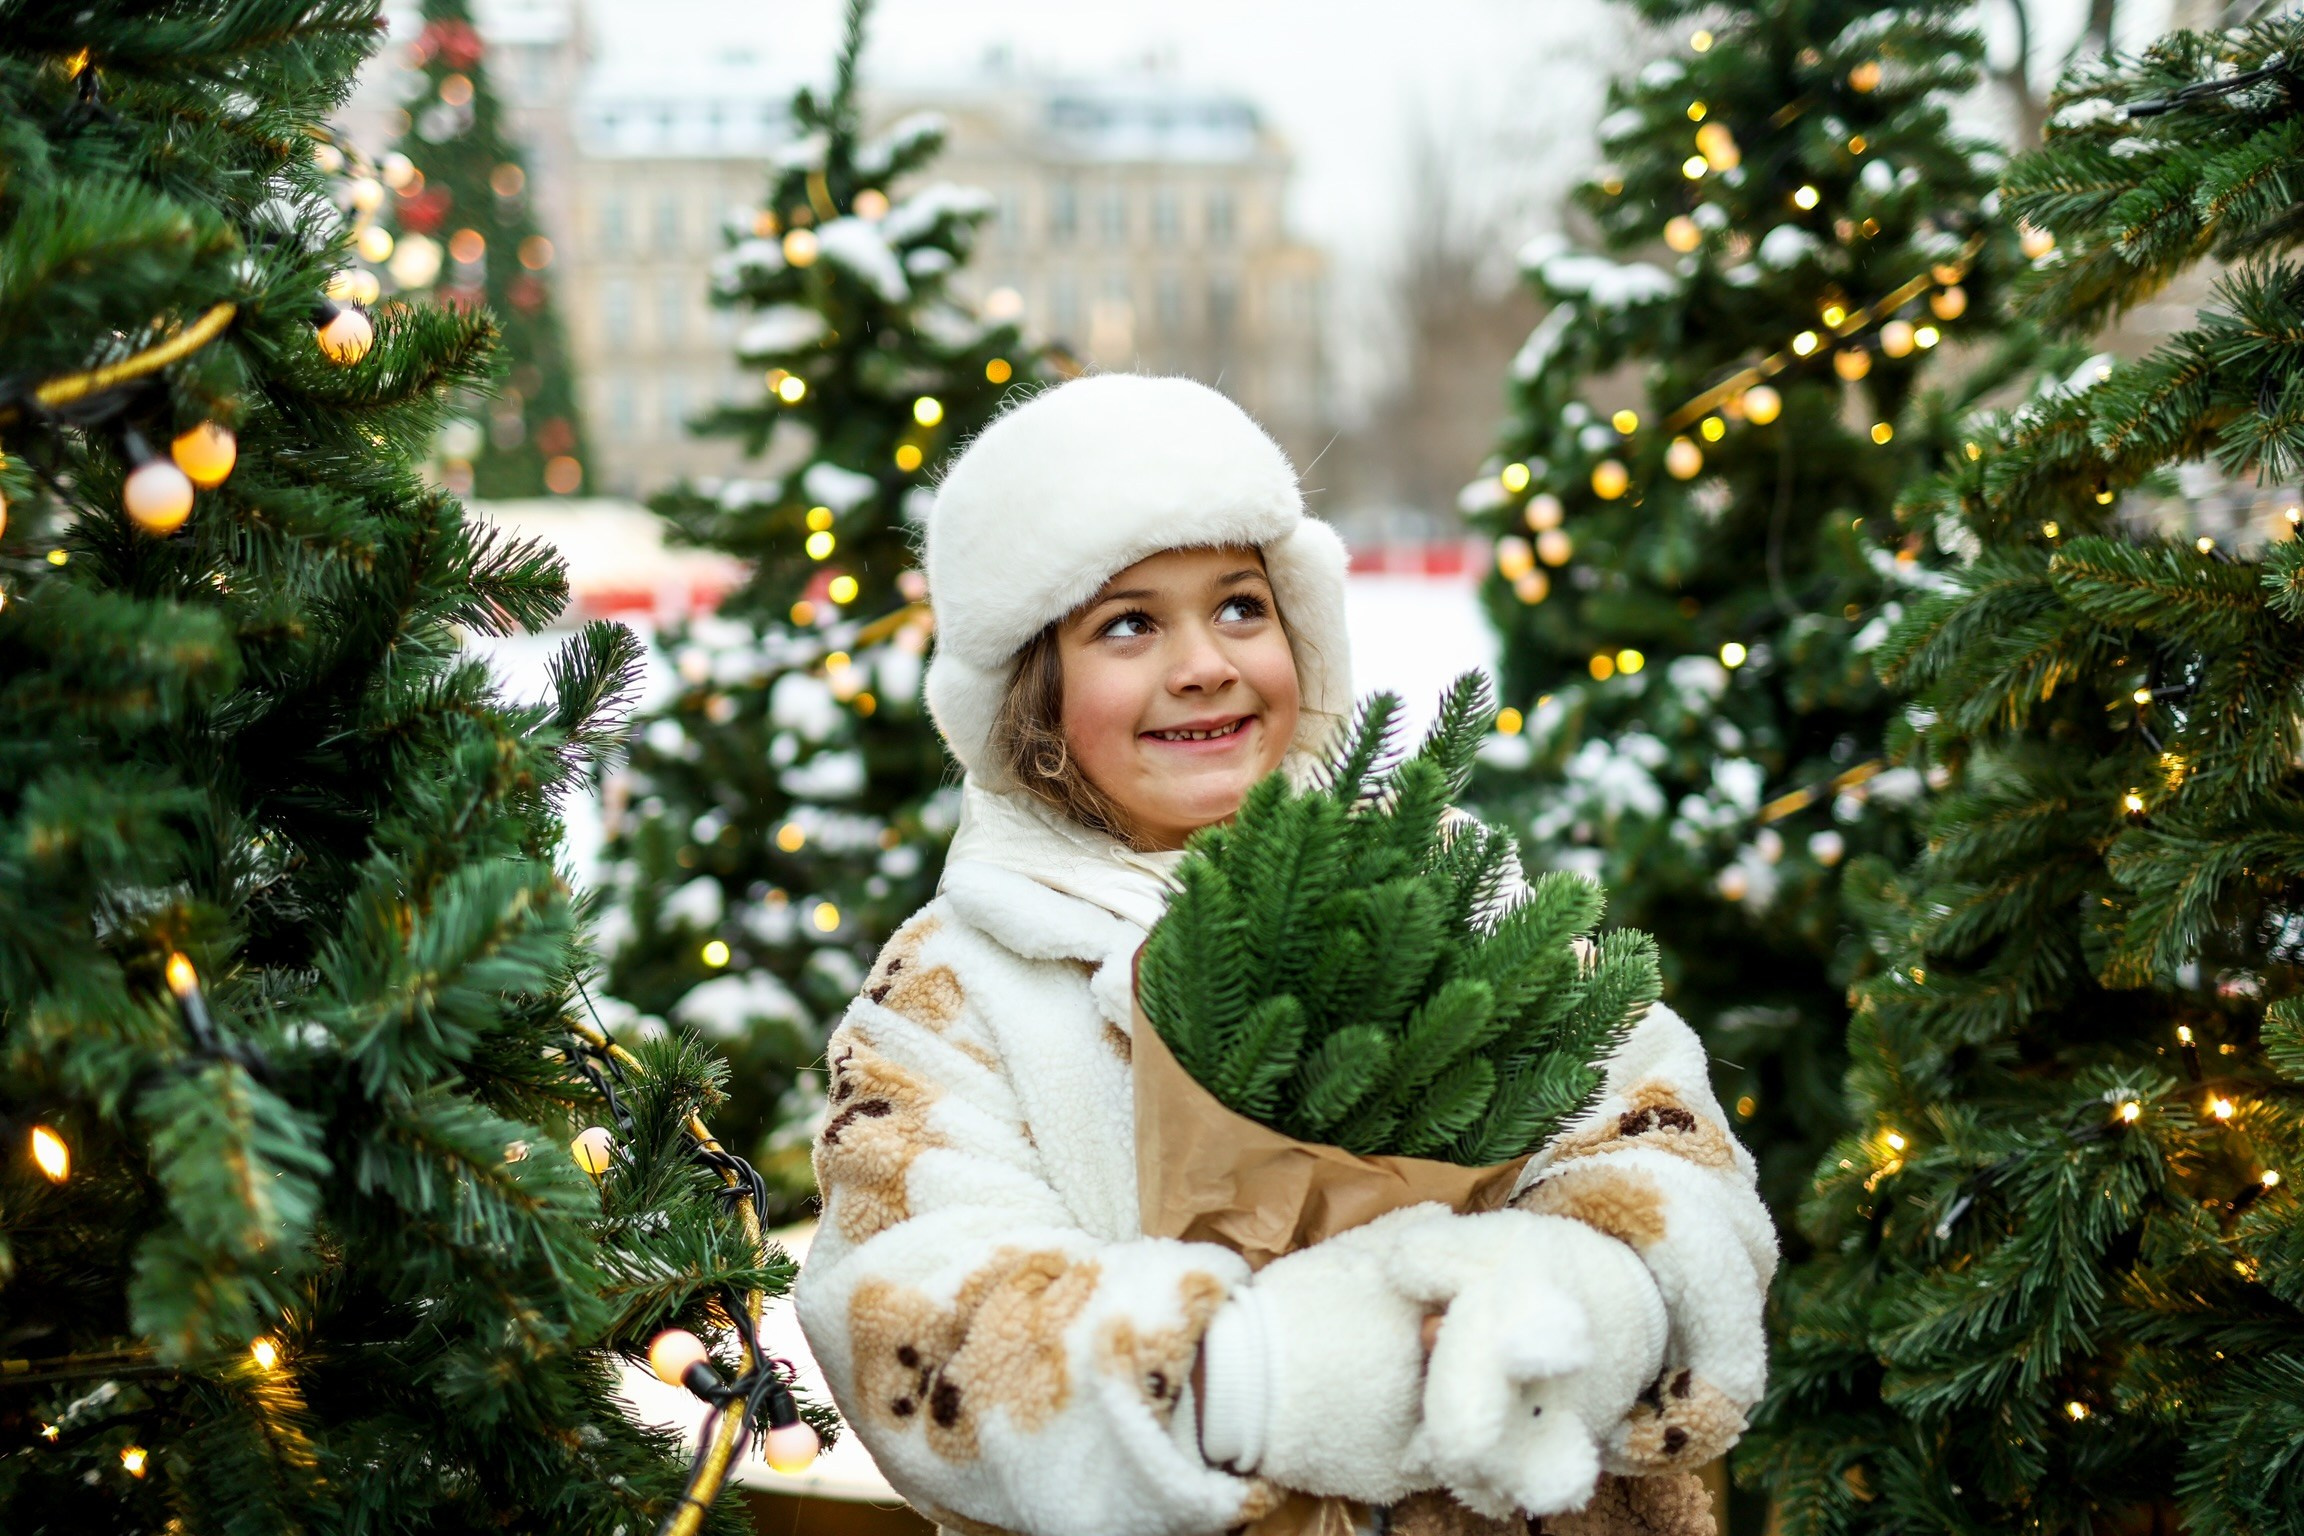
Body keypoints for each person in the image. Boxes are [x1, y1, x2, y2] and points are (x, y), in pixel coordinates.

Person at [794, 375, 1775, 1536]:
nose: (1205, 664)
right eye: (1128, 624)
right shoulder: (953, 989)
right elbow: (916, 1320)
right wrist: (1276, 1374)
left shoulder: (1439, 886)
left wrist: (1569, 1305)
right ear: (1033, 692)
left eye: (1240, 607)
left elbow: (1670, 1156)